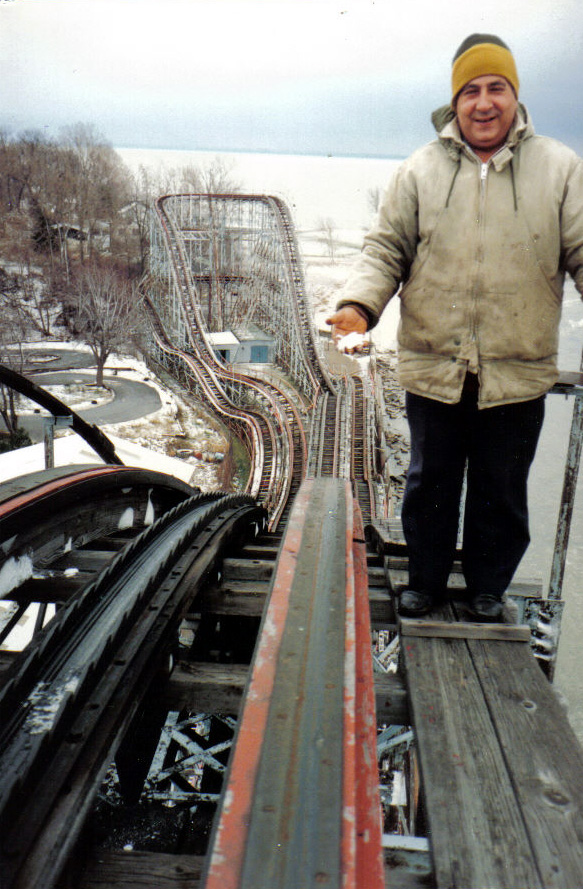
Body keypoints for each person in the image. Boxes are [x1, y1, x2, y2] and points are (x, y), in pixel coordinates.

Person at [327, 33, 583, 621]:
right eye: (471, 91)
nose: (484, 103)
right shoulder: (420, 169)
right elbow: (386, 248)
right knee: (430, 485)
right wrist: (360, 306)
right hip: (434, 363)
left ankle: (489, 588)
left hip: (517, 370)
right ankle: (426, 581)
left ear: (515, 96)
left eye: (497, 88)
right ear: (455, 102)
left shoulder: (561, 169)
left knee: (502, 490)